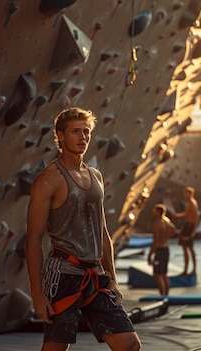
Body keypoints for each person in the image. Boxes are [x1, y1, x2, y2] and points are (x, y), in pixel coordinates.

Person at [25, 107, 141, 351]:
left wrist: (112, 277)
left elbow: (102, 231)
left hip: (96, 276)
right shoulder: (49, 179)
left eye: (86, 132)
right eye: (75, 132)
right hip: (63, 274)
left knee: (129, 345)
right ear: (60, 136)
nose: (83, 137)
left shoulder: (96, 176)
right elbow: (34, 239)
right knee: (56, 348)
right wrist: (37, 293)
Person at [147, 204, 176, 295]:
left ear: (159, 212)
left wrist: (150, 255)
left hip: (159, 250)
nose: (153, 212)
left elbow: (155, 241)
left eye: (154, 210)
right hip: (166, 249)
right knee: (164, 274)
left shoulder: (157, 224)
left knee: (158, 274)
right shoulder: (167, 221)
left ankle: (162, 296)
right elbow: (173, 230)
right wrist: (166, 237)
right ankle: (166, 295)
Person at [172, 186, 199, 276]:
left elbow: (195, 217)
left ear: (190, 194)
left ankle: (194, 270)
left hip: (190, 227)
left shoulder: (192, 203)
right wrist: (177, 215)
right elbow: (186, 214)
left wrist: (194, 231)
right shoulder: (188, 203)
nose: (184, 195)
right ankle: (186, 270)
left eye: (185, 193)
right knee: (185, 249)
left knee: (190, 249)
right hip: (186, 226)